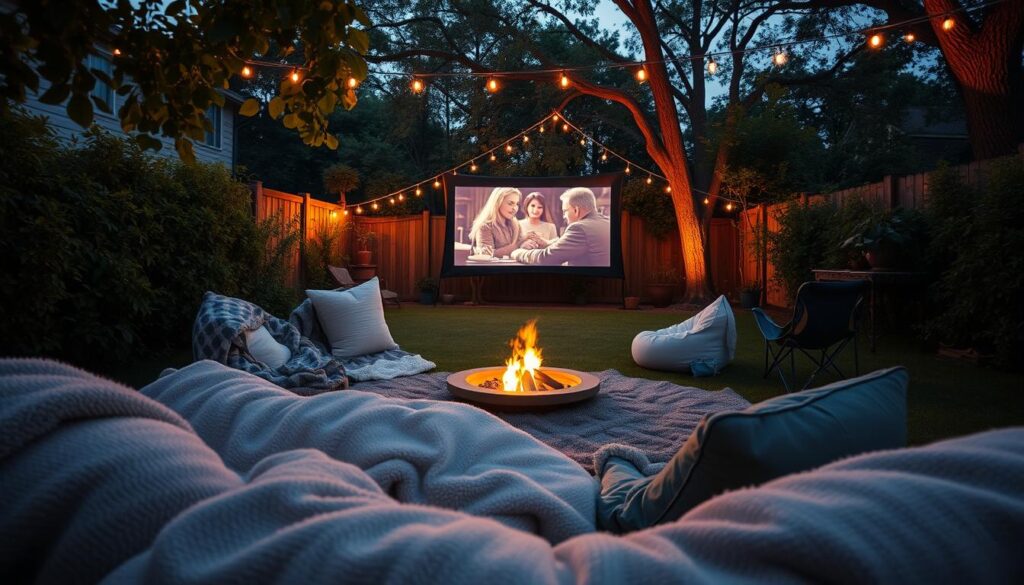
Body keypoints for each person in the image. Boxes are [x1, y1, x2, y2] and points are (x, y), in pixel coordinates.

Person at [511, 187, 611, 266]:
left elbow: (545, 258)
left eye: (565, 211)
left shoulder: (579, 228)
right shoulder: (607, 222)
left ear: (576, 210)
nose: (564, 216)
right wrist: (548, 243)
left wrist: (518, 252)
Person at [468, 186, 523, 257]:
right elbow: (486, 255)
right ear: (497, 203)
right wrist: (519, 244)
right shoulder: (484, 226)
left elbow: (522, 246)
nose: (515, 208)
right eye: (510, 203)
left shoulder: (515, 224)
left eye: (517, 204)